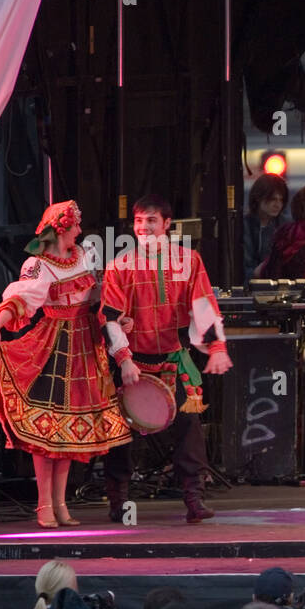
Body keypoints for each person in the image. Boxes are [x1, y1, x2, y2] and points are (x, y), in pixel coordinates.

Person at [0, 201, 132, 527]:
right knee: (46, 428)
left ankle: (61, 503)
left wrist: (117, 320)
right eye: (75, 225)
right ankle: (44, 503)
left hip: (85, 344)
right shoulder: (37, 265)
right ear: (61, 228)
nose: (79, 229)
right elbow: (22, 299)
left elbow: (98, 299)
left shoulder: (82, 256)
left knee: (69, 432)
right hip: (55, 345)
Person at [101, 194, 233, 524]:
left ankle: (194, 498)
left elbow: (203, 305)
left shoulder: (189, 261)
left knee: (189, 428)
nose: (144, 227)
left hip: (173, 361)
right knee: (120, 433)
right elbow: (110, 318)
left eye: (151, 221)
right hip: (133, 361)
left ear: (167, 224)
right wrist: (124, 359)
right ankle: (118, 500)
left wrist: (217, 348)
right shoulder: (119, 267)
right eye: (139, 221)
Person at [242, 173, 292, 282]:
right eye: (273, 199)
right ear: (259, 197)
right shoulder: (244, 225)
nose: (278, 204)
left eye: (281, 200)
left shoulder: (286, 225)